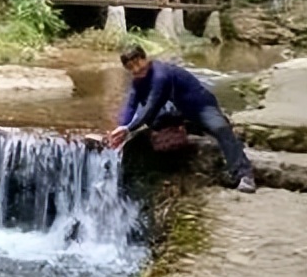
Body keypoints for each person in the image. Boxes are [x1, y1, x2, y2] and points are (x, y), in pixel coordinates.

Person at [107, 45, 257, 194]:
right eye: (130, 67)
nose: (136, 69)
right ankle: (193, 127)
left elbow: (151, 106)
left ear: (145, 58)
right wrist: (120, 128)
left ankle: (244, 174)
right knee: (155, 122)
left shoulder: (160, 74)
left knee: (221, 129)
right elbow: (131, 105)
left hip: (201, 106)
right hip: (180, 111)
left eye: (137, 63)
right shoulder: (138, 81)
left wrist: (128, 129)